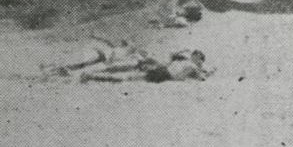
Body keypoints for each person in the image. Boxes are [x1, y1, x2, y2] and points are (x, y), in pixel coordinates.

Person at [80, 49, 212, 84]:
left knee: (127, 77)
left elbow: (202, 77)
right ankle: (92, 75)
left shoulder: (193, 66)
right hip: (163, 71)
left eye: (197, 54)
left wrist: (205, 70)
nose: (193, 54)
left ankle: (92, 76)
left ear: (199, 59)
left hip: (164, 73)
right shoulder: (186, 61)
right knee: (128, 75)